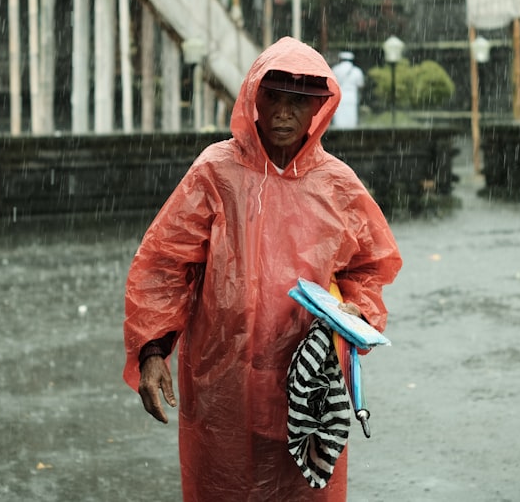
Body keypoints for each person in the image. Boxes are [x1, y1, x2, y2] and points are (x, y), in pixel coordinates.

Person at [123, 36, 402, 501]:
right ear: (255, 95)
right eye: (274, 97)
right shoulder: (216, 172)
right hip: (222, 383)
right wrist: (153, 350)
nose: (283, 113)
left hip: (306, 384)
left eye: (298, 102)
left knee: (302, 490)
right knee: (223, 486)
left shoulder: (337, 184)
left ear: (318, 108)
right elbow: (165, 263)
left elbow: (370, 266)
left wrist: (356, 313)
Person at [330, 51, 364, 129]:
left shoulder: (336, 69)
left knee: (340, 116)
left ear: (341, 59)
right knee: (351, 115)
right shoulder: (357, 71)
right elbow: (360, 85)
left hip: (340, 95)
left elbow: (331, 84)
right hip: (352, 95)